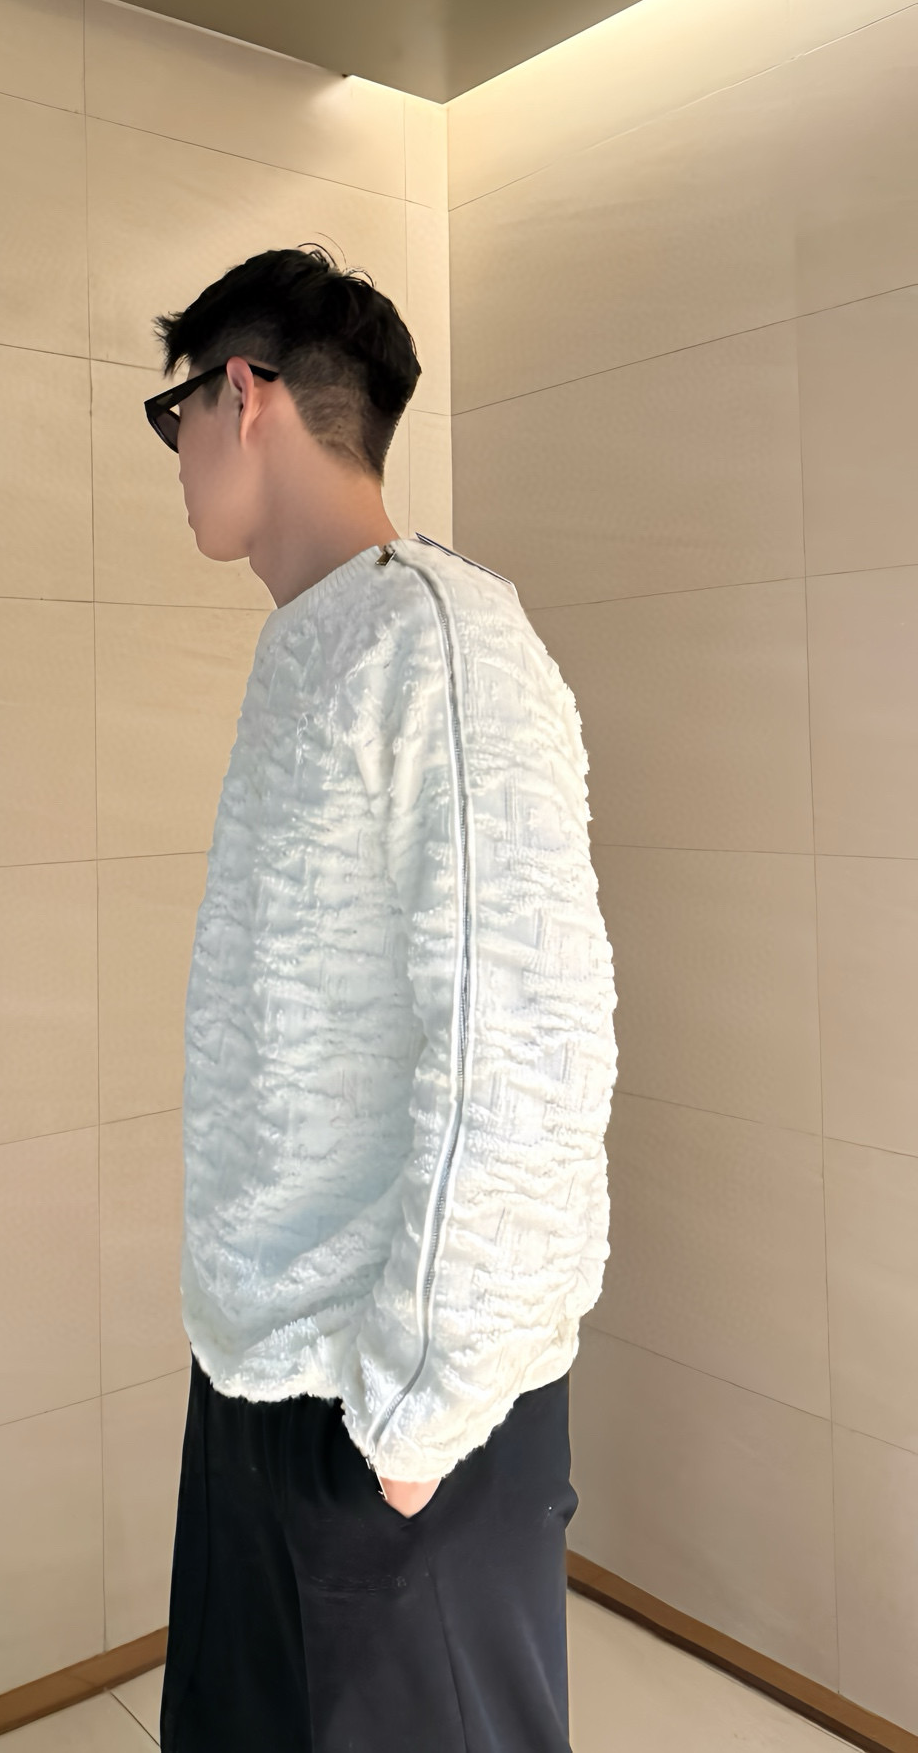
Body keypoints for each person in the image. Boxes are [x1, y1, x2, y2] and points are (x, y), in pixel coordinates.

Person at [143, 246, 617, 1753]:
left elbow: (527, 1041)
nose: (177, 457)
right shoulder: (318, 639)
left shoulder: (441, 639)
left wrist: (418, 1419)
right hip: (265, 1376)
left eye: (174, 416)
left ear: (242, 394)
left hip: (402, 1418)